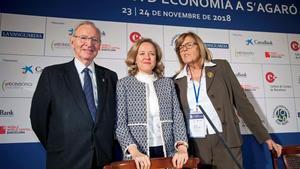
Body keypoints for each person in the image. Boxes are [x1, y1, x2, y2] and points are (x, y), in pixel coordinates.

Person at [173, 32, 282, 169]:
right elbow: (176, 118)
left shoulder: (221, 67)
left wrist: (265, 136)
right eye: (180, 48)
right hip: (196, 145)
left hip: (226, 140)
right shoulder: (176, 80)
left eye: (188, 45)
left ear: (199, 46)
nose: (184, 49)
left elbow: (242, 104)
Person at [30, 21, 118, 169]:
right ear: (72, 41)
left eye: (94, 39)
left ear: (99, 45)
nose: (89, 43)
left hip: (103, 160)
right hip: (65, 160)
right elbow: (38, 119)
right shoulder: (52, 75)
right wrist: (57, 146)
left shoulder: (110, 77)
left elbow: (113, 117)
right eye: (83, 38)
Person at [116, 38, 189, 169]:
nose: (147, 57)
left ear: (156, 58)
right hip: (137, 154)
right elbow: (120, 124)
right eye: (142, 53)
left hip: (168, 152)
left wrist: (182, 148)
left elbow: (177, 117)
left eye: (152, 53)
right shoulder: (123, 84)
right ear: (135, 58)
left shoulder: (167, 83)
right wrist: (135, 152)